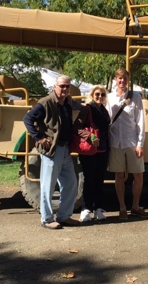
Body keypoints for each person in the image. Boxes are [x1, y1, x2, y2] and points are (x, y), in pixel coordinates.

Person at [23, 75, 81, 230]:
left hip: (65, 148)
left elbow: (81, 108)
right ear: (55, 86)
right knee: (48, 185)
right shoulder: (45, 103)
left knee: (71, 183)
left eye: (67, 86)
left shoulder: (68, 102)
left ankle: (64, 216)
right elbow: (27, 119)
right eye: (62, 86)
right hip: (52, 150)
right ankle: (47, 219)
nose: (65, 89)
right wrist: (39, 138)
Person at [108, 68, 148, 220]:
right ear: (115, 80)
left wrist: (140, 143)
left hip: (132, 141)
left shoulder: (135, 96)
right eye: (119, 79)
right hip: (115, 141)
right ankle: (122, 207)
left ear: (128, 80)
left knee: (138, 175)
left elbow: (140, 121)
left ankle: (135, 206)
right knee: (119, 175)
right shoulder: (109, 97)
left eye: (124, 78)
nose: (122, 81)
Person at [74, 85, 111, 222]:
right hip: (89, 150)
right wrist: (90, 136)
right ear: (92, 95)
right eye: (97, 94)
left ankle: (98, 209)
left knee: (99, 180)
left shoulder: (105, 111)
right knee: (89, 179)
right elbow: (76, 128)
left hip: (103, 149)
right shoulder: (87, 109)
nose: (100, 97)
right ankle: (85, 209)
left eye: (102, 94)